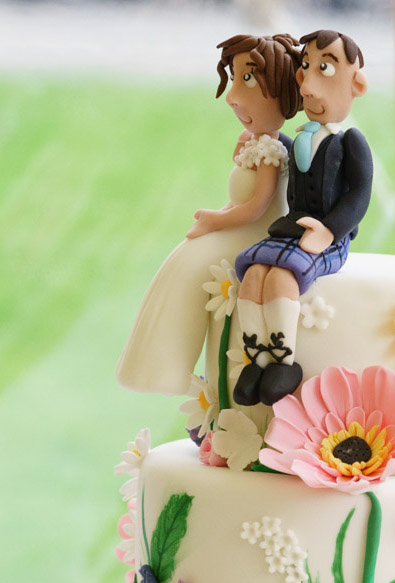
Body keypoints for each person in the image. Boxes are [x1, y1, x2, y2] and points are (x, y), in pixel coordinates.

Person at [116, 34, 302, 397]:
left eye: (247, 80)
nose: (232, 96)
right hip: (242, 226)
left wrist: (215, 221)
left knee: (192, 263)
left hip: (259, 234)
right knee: (184, 259)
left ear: (279, 91)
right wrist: (219, 216)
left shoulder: (271, 152)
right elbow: (239, 202)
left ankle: (167, 372)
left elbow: (257, 208)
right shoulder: (255, 143)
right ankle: (155, 372)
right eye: (234, 79)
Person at [231, 29, 371, 407]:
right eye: (306, 67)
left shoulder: (350, 142)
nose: (307, 85)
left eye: (325, 68)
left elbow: (359, 194)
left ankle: (282, 362)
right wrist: (261, 139)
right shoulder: (300, 138)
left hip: (328, 238)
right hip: (291, 229)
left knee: (281, 277)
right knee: (253, 274)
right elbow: (293, 159)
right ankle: (256, 360)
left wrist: (330, 230)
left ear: (356, 84)